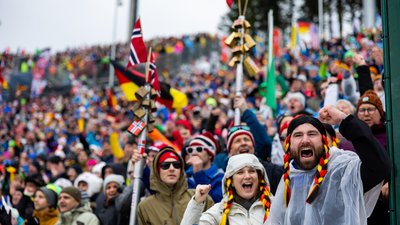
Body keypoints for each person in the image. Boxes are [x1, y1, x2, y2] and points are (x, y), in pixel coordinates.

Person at [266, 105, 391, 225]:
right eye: (298, 135)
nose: (305, 140)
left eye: (312, 134)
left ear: (324, 142)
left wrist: (344, 120)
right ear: (289, 145)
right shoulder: (288, 179)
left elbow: (379, 166)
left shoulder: (342, 170)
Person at [181, 153, 272, 225]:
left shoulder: (275, 206)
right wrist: (196, 204)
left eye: (252, 171)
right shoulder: (218, 212)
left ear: (259, 177)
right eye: (240, 172)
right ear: (231, 181)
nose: (247, 176)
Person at [137, 148, 213, 225]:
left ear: (181, 170)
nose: (172, 168)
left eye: (176, 165)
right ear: (157, 170)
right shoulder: (145, 206)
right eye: (165, 165)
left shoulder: (200, 197)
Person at [185, 132, 224, 202]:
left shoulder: (220, 177)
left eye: (199, 149)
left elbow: (215, 201)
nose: (194, 153)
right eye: (190, 150)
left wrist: (198, 174)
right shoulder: (185, 176)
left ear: (210, 155)